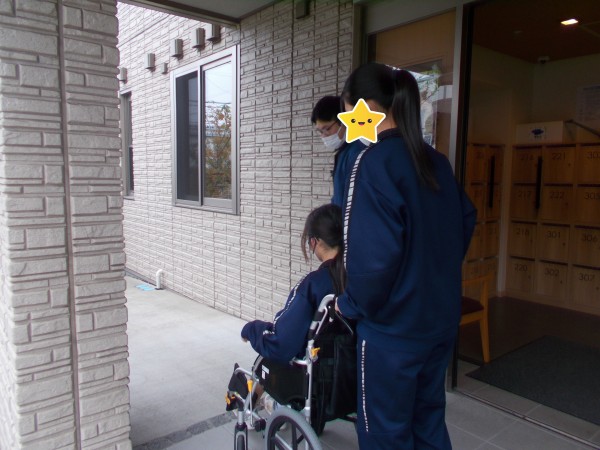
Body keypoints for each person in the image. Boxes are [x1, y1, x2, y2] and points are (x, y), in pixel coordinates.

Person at [335, 63, 476, 450]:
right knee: (428, 423)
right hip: (439, 321)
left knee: (385, 434)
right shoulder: (436, 161)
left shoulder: (373, 162)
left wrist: (350, 303)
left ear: (365, 109)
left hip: (392, 331)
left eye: (349, 116)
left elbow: (372, 260)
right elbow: (465, 219)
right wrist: (433, 271)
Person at [241, 203, 345, 363]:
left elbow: (281, 344)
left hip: (319, 371)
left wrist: (251, 329)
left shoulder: (313, 284)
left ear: (314, 242)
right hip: (354, 366)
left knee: (259, 366)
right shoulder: (360, 278)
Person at [311, 96, 364, 207]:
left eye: (327, 129)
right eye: (320, 131)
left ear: (344, 121)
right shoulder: (344, 152)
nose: (323, 136)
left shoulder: (357, 152)